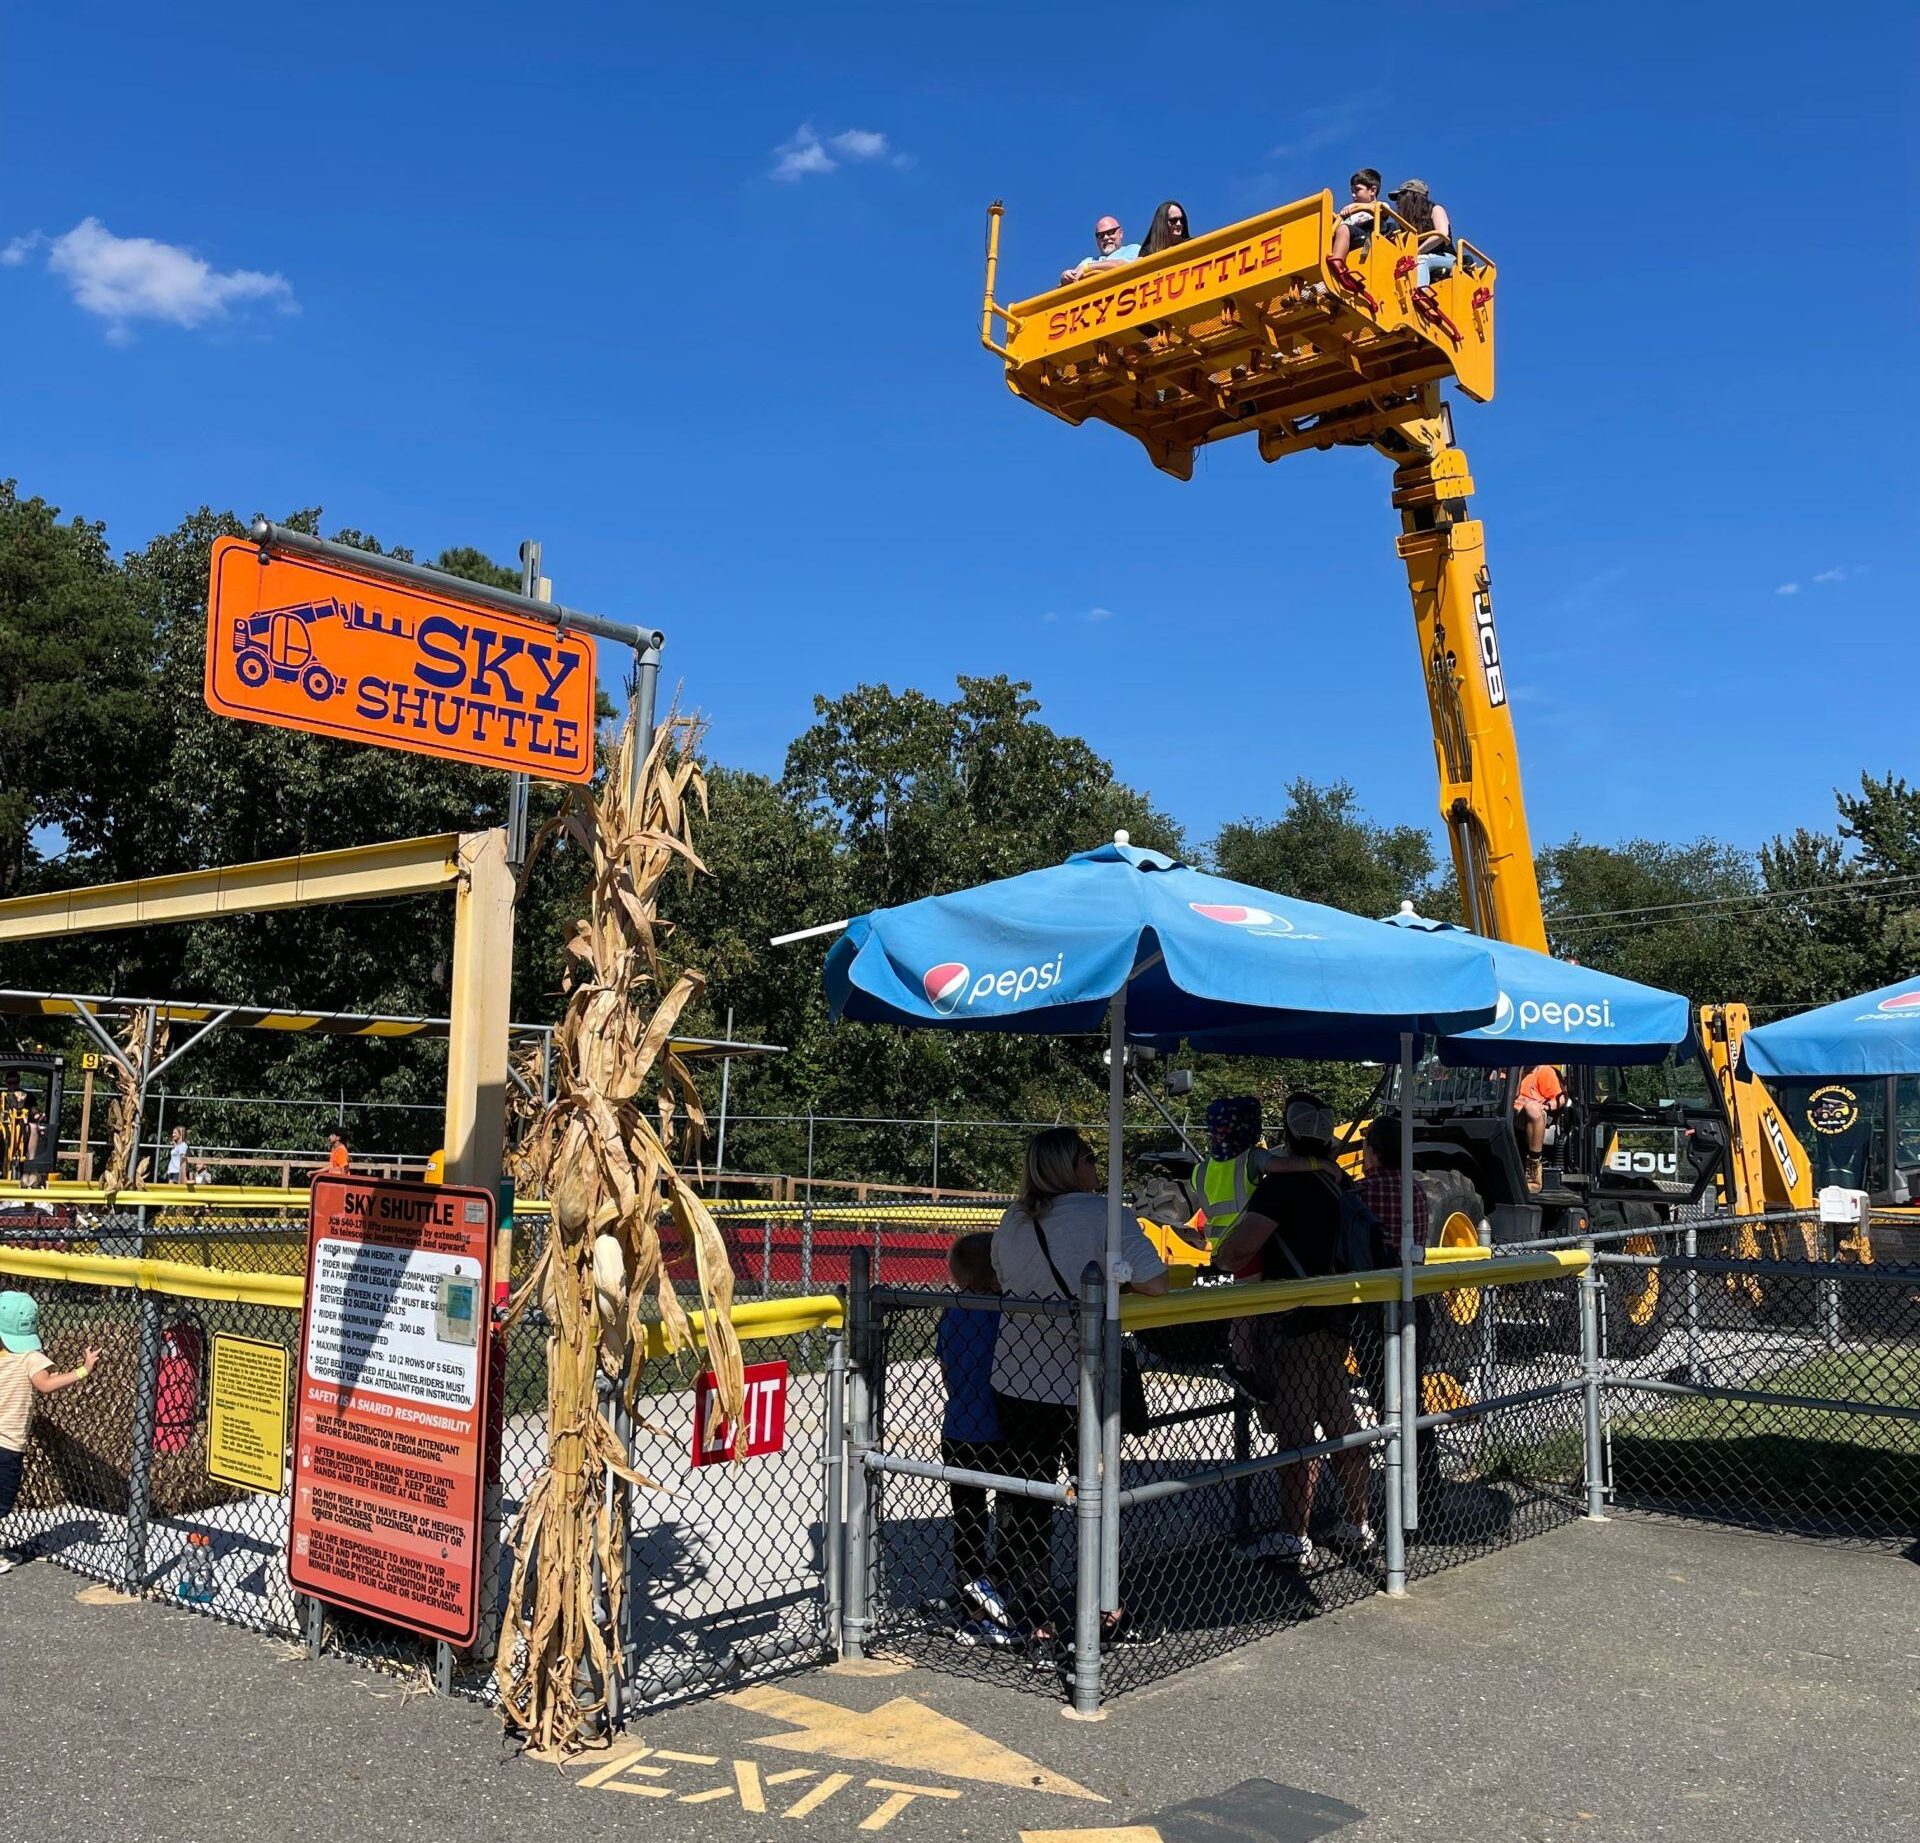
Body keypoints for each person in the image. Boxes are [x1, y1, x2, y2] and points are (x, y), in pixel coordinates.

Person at [990, 1128, 1167, 1643]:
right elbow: (1156, 1282)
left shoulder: (1013, 1219)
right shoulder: (1104, 1213)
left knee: (1027, 1498)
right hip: (1081, 1384)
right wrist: (1117, 1276)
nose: (1097, 1165)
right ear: (1073, 1166)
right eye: (1090, 1156)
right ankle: (1105, 1609)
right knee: (1097, 1495)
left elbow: (1004, 1278)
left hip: (1016, 1377)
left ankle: (1034, 1613)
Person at [1212, 1092, 1375, 1566]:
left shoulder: (1281, 1189)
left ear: (1286, 1133)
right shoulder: (1340, 1184)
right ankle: (1357, 1521)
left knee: (1296, 1431)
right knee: (1341, 1418)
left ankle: (1292, 1534)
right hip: (1336, 1315)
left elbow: (1238, 1251)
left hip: (1293, 1318)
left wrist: (1220, 1255)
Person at [1355, 1113, 1440, 1501]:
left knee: (1385, 1402)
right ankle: (1425, 1490)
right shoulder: (1417, 1191)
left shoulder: (1360, 1195)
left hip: (1374, 1310)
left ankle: (1400, 1493)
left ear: (1372, 1152)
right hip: (1414, 1303)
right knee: (1413, 1400)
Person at [937, 1232, 1012, 1645]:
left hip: (958, 1429)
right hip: (998, 1430)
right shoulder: (1004, 1312)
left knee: (968, 1520)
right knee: (1009, 1516)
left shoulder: (952, 1312)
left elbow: (948, 1372)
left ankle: (970, 1601)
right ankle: (993, 1590)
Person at [0, 1291, 100, 1574]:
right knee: (2, 1501)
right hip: (7, 1444)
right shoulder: (31, 1358)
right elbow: (46, 1384)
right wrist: (83, 1370)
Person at [1388, 178, 1454, 288]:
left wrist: (1418, 251)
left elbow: (1442, 234)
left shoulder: (1435, 209)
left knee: (1421, 260)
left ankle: (1421, 294)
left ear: (1412, 197)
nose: (1398, 203)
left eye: (1401, 197)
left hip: (1445, 258)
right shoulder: (1405, 226)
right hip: (1417, 259)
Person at [1514, 1065, 1566, 1192]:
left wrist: (1547, 1106)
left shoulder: (1544, 1071)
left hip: (1533, 1114)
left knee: (1532, 1107)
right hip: (1509, 1111)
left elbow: (1561, 1098)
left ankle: (1533, 1168)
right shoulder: (1507, 1070)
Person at [1060, 215, 1139, 287]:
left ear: (1120, 233)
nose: (1106, 238)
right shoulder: (1088, 260)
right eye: (1100, 235)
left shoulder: (1132, 249)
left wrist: (1087, 268)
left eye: (1110, 232)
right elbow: (1073, 280)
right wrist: (1065, 277)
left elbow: (1123, 265)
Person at [1328, 168, 1383, 262]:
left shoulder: (1380, 206)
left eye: (1357, 190)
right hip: (1348, 233)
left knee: (1343, 229)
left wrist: (1356, 206)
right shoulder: (1352, 213)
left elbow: (1381, 210)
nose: (1353, 195)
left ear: (1373, 190)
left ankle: (1337, 261)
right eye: (1352, 191)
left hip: (1366, 234)